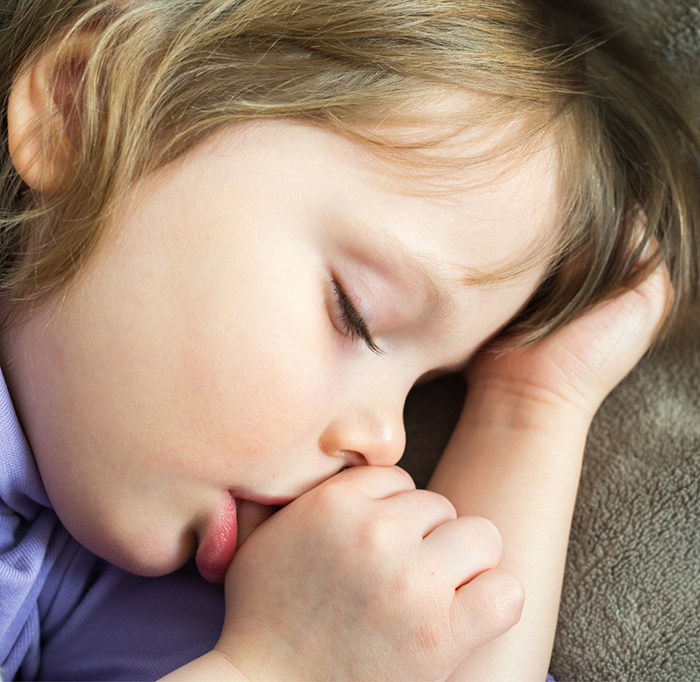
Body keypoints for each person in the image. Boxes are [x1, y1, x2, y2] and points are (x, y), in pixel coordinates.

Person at [0, 0, 697, 680]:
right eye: (355, 314)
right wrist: (272, 669)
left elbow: (433, 659)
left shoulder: (98, 550)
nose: (386, 444)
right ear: (81, 110)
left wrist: (532, 405)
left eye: (426, 387)